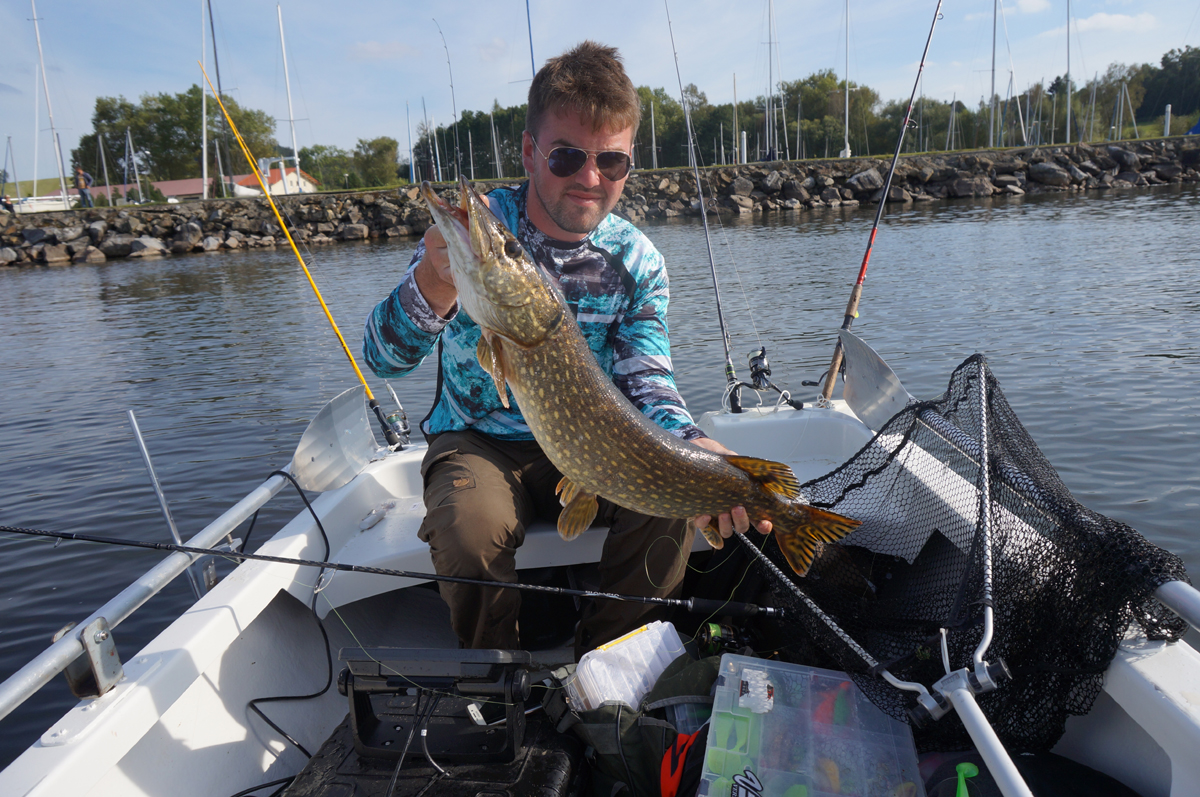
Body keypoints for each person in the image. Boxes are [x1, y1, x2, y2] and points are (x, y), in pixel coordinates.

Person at [363, 41, 767, 658]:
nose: (589, 177)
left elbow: (647, 379)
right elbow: (384, 360)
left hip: (595, 443)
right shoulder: (471, 242)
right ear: (530, 151)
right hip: (479, 442)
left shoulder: (637, 261)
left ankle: (606, 673)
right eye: (567, 155)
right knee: (470, 531)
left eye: (612, 161)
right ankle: (501, 677)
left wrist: (693, 444)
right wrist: (436, 283)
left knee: (669, 508)